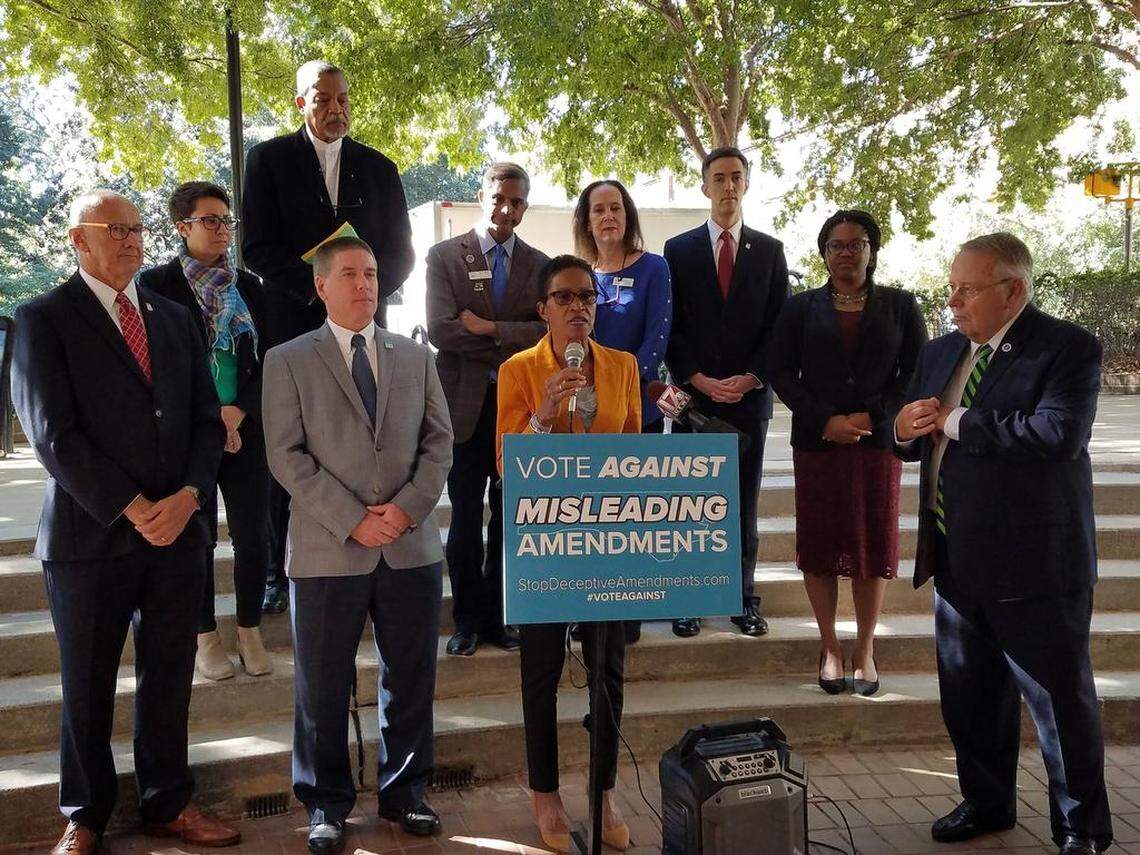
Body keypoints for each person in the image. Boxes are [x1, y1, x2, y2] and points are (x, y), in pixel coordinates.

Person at [10, 190, 237, 854]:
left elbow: (204, 418)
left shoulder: (174, 317)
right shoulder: (43, 318)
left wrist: (191, 495)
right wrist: (136, 508)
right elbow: (53, 435)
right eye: (117, 230)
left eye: (138, 229)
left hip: (177, 533)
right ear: (78, 239)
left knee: (169, 674)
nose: (133, 240)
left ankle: (168, 801)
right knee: (87, 683)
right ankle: (85, 815)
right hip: (91, 538)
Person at [894, 233, 1112, 855]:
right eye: (951, 287)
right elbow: (911, 430)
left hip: (1036, 568)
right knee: (971, 700)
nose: (953, 301)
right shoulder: (941, 351)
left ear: (1012, 290)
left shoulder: (1066, 348)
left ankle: (1083, 830)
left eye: (967, 289)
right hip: (956, 560)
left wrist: (956, 421)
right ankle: (987, 804)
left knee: (1059, 711)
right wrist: (903, 430)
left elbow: (1057, 434)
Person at [262, 235, 452, 853]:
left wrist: (403, 510)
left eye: (371, 273)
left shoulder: (415, 357)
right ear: (321, 287)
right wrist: (352, 519)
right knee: (321, 682)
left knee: (412, 675)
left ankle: (407, 793)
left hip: (409, 545)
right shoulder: (288, 360)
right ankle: (325, 802)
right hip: (326, 548)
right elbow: (285, 456)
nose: (365, 284)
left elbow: (438, 444)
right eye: (350, 274)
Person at [243, 59, 415, 615]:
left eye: (342, 99)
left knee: (368, 443)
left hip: (366, 331)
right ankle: (278, 569)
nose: (335, 109)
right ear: (301, 103)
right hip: (293, 326)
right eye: (323, 100)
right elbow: (258, 249)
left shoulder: (379, 168)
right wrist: (321, 292)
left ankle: (376, 555)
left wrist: (357, 293)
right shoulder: (268, 161)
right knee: (290, 449)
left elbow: (400, 254)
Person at [496, 255, 640, 853]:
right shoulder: (518, 369)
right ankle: (545, 793)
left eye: (587, 296)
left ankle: (601, 788)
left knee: (608, 668)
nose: (577, 306)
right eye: (564, 298)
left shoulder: (624, 366)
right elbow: (507, 465)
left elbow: (635, 453)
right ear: (543, 309)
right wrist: (545, 417)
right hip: (544, 542)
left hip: (605, 542)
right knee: (541, 670)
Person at [768, 209, 927, 696]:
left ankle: (865, 648)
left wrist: (870, 418)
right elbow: (780, 370)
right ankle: (829, 647)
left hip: (877, 446)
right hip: (818, 445)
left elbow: (915, 372)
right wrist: (826, 421)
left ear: (872, 251)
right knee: (820, 545)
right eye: (835, 245)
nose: (845, 253)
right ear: (823, 253)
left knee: (870, 545)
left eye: (855, 244)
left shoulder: (901, 306)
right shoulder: (800, 308)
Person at [140, 181, 273, 682]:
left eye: (226, 221)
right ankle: (204, 636)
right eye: (210, 220)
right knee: (195, 537)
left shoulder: (249, 287)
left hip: (244, 428)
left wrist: (239, 410)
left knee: (253, 534)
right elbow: (155, 366)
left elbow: (269, 360)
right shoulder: (155, 286)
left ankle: (249, 628)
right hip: (188, 434)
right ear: (182, 227)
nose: (222, 230)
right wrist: (209, 417)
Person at [664, 145, 789, 638]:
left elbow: (781, 327)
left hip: (749, 400)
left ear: (746, 184)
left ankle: (742, 599)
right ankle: (689, 600)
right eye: (719, 177)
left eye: (736, 176)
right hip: (696, 401)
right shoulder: (679, 250)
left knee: (742, 505)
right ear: (704, 186)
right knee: (693, 503)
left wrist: (753, 377)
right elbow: (671, 327)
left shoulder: (771, 250)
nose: (728, 186)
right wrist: (695, 377)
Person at [426, 162, 548, 657]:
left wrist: (486, 329)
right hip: (463, 410)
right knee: (464, 519)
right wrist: (507, 336)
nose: (506, 208)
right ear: (482, 195)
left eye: (517, 201)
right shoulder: (444, 256)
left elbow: (544, 332)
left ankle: (502, 617)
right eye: (499, 197)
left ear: (525, 205)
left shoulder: (540, 265)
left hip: (519, 412)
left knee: (509, 519)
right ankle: (467, 620)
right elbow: (440, 329)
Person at [572, 178, 672, 644]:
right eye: (599, 210)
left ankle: (627, 614)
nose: (608, 216)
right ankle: (587, 610)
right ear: (587, 221)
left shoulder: (654, 268)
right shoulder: (578, 276)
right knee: (591, 518)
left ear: (628, 215)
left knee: (632, 517)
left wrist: (621, 387)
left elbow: (658, 336)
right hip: (585, 420)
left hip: (638, 415)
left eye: (616, 208)